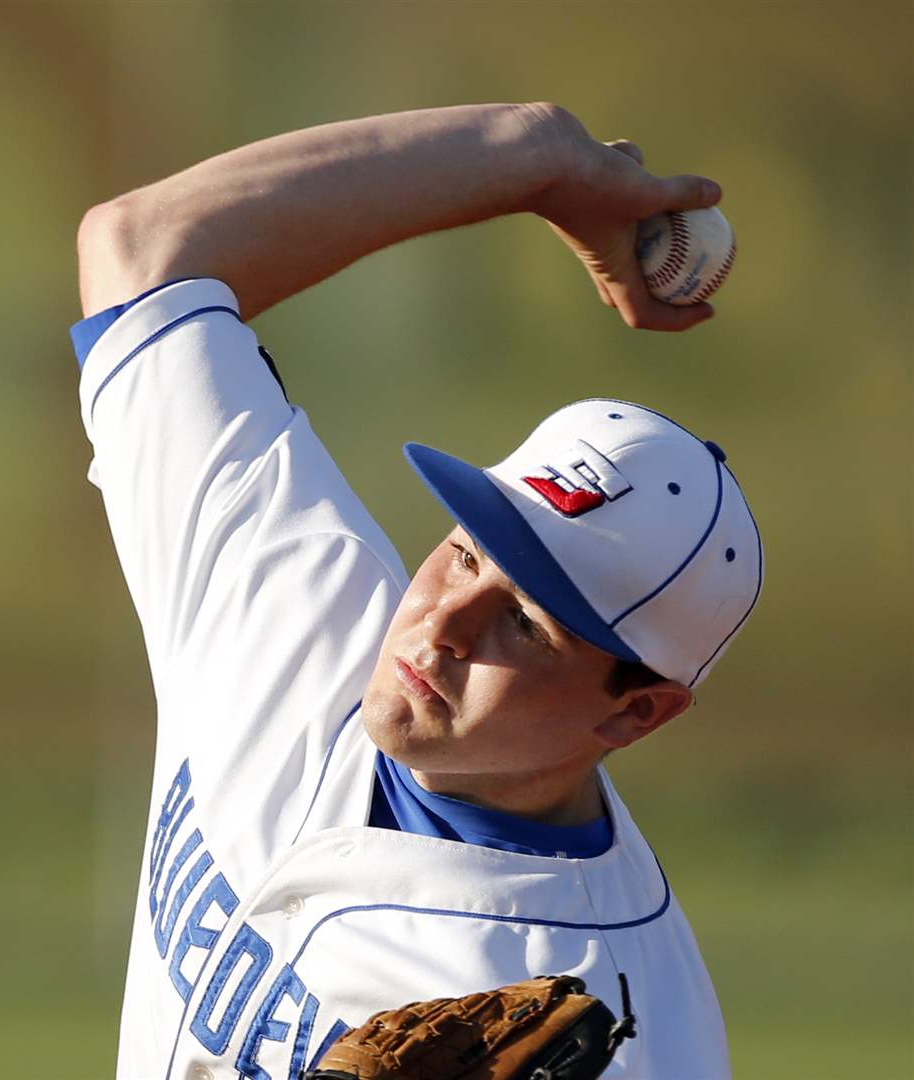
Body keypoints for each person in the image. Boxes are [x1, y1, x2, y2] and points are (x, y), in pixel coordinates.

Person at [71, 103, 763, 1080]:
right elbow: (144, 249)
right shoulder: (296, 605)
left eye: (526, 624)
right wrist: (530, 160)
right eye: (470, 553)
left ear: (638, 712)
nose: (442, 623)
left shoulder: (619, 1035)